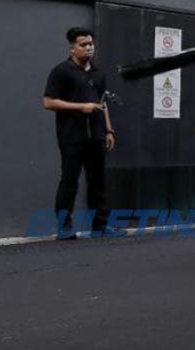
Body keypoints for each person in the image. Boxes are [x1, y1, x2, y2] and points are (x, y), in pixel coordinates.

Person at [43, 27, 118, 239]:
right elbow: (48, 102)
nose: (88, 48)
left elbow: (102, 104)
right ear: (72, 48)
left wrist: (109, 130)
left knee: (98, 181)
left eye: (90, 44)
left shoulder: (98, 73)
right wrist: (80, 107)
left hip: (96, 136)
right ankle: (64, 228)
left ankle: (100, 226)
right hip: (72, 137)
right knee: (69, 181)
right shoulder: (61, 71)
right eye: (83, 45)